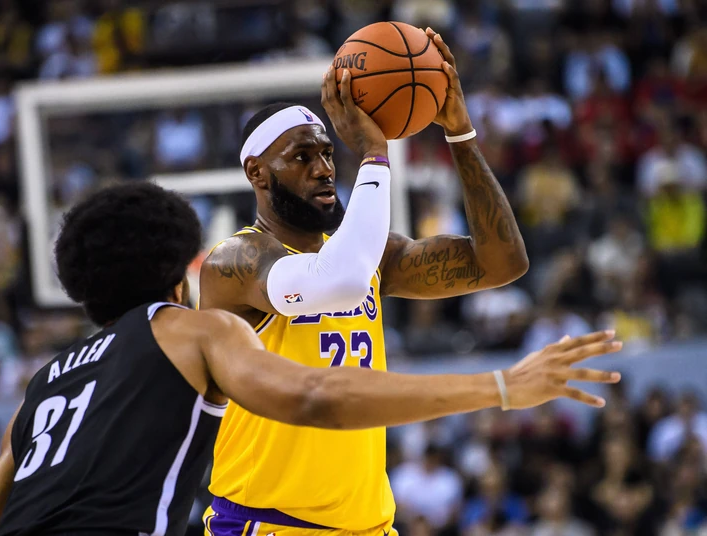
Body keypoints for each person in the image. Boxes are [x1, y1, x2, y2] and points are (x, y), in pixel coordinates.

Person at [0, 180, 623, 536]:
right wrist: (500, 385)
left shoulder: (41, 388)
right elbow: (315, 395)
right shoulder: (191, 331)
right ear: (179, 273)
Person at [197, 30, 541, 536]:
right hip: (268, 524)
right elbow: (342, 279)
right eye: (301, 157)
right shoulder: (235, 262)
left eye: (326, 153)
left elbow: (502, 263)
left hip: (368, 526)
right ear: (257, 173)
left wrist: (460, 135)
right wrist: (374, 152)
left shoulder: (368, 254)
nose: (323, 169)